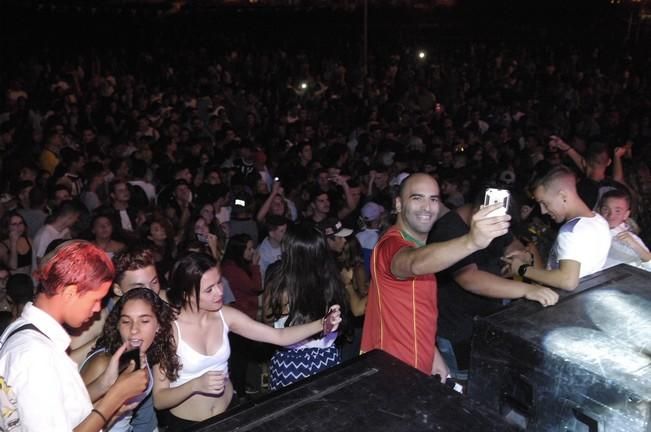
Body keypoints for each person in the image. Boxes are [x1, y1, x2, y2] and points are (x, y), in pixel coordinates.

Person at [153, 252, 341, 428]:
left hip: (229, 412)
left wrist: (321, 324)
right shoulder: (169, 330)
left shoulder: (225, 315)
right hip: (189, 425)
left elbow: (279, 336)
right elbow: (159, 399)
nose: (220, 292)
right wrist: (195, 385)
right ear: (187, 295)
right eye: (209, 290)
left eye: (219, 283)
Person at [360, 173, 511, 379]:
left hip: (416, 363)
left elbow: (412, 311)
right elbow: (412, 263)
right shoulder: (391, 245)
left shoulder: (421, 247)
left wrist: (431, 352)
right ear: (398, 203)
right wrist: (472, 241)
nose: (427, 206)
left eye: (433, 199)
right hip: (394, 373)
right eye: (417, 198)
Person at [0, 240, 148, 432]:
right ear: (70, 293)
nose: (97, 309)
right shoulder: (35, 356)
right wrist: (114, 398)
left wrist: (105, 384)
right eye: (96, 299)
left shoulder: (27, 331)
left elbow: (62, 410)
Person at [428, 196, 559, 377]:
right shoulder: (448, 229)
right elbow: (468, 277)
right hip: (458, 330)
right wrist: (528, 290)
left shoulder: (491, 219)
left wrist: (519, 254)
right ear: (480, 209)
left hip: (486, 320)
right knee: (464, 382)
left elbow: (512, 243)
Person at [80, 288, 180, 432]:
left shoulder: (145, 355)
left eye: (144, 321)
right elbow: (72, 417)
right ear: (118, 325)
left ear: (158, 325)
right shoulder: (102, 363)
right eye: (126, 321)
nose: (134, 329)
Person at [263, 224, 349, 390]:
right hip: (327, 359)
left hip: (290, 365)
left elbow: (267, 327)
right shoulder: (332, 281)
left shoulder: (279, 287)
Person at [504, 165, 611, 290]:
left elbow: (568, 281)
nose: (543, 211)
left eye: (545, 203)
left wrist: (522, 269)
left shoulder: (571, 231)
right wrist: (530, 259)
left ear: (562, 196)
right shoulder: (599, 221)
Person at [598, 189, 651, 271]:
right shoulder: (593, 232)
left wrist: (635, 245)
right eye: (606, 209)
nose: (611, 215)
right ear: (599, 210)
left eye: (617, 211)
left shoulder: (630, 239)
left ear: (626, 214)